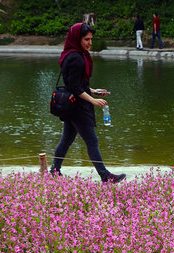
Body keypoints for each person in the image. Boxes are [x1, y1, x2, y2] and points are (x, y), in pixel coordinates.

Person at [51, 23, 126, 183]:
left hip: (71, 106)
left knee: (66, 140)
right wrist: (93, 100)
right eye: (86, 39)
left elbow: (76, 84)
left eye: (91, 39)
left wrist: (93, 90)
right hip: (78, 108)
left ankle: (54, 170)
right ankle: (105, 176)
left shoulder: (71, 54)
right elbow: (76, 88)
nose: (90, 43)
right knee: (92, 141)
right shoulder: (77, 58)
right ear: (77, 38)